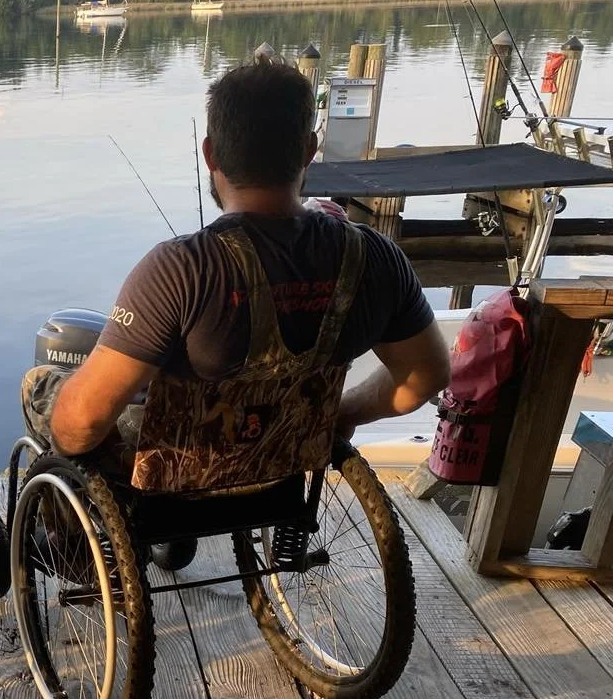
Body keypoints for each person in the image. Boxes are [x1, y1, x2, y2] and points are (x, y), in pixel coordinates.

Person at [23, 59, 450, 466]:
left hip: (170, 477)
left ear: (211, 155)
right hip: (286, 459)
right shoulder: (376, 258)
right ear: (308, 150)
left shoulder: (179, 271)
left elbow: (81, 427)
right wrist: (341, 414)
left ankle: (65, 538)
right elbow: (424, 378)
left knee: (42, 386)